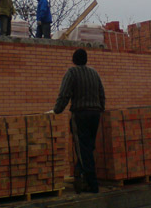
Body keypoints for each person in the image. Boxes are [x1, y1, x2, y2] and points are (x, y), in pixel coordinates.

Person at [47, 48, 105, 193]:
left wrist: (57, 110)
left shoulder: (72, 73)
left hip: (80, 115)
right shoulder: (94, 73)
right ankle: (82, 178)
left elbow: (64, 94)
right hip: (95, 114)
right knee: (89, 146)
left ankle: (92, 184)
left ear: (74, 60)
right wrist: (100, 109)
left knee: (82, 148)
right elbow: (102, 94)